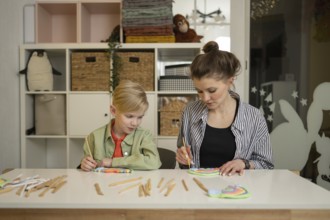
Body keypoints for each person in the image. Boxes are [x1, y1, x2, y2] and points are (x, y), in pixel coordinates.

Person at [176, 41, 274, 176]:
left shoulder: (254, 117)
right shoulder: (190, 112)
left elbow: (266, 164)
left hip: (239, 192)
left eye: (212, 90)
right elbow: (185, 163)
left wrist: (244, 163)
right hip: (198, 189)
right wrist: (183, 159)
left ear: (230, 81)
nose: (205, 98)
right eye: (199, 91)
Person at [80, 80, 162, 171]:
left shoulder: (144, 136)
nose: (135, 123)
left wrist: (112, 162)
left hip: (135, 184)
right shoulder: (94, 137)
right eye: (129, 116)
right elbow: (89, 169)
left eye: (140, 117)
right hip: (103, 184)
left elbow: (154, 162)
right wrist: (85, 164)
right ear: (113, 111)